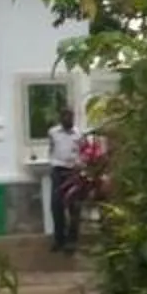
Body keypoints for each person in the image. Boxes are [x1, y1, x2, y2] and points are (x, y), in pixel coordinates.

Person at [47, 107, 86, 252]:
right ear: (60, 118)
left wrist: (80, 164)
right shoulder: (53, 133)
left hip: (74, 172)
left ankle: (72, 240)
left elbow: (83, 151)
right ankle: (59, 239)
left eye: (71, 117)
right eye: (65, 117)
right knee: (56, 205)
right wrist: (52, 163)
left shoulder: (78, 134)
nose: (68, 120)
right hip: (58, 171)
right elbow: (51, 148)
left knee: (74, 206)